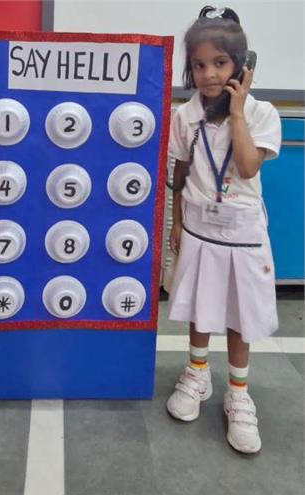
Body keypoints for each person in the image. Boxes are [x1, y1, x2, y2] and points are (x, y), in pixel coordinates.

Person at [165, 6, 281, 454]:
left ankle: (238, 392)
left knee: (238, 314)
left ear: (242, 66)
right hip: (199, 228)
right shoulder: (185, 115)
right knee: (200, 305)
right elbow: (180, 169)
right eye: (198, 65)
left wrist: (236, 113)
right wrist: (176, 221)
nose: (209, 74)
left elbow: (248, 166)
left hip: (243, 234)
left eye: (220, 63)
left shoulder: (260, 113)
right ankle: (197, 373)